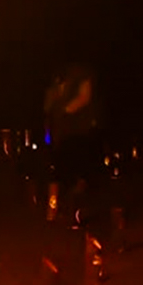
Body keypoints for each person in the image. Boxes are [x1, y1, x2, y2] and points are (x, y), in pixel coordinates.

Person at [43, 63, 103, 216]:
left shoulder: (81, 74)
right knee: (56, 171)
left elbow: (84, 98)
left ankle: (77, 209)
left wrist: (66, 110)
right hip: (61, 135)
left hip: (79, 133)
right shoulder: (57, 82)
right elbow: (49, 108)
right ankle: (54, 209)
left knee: (78, 172)